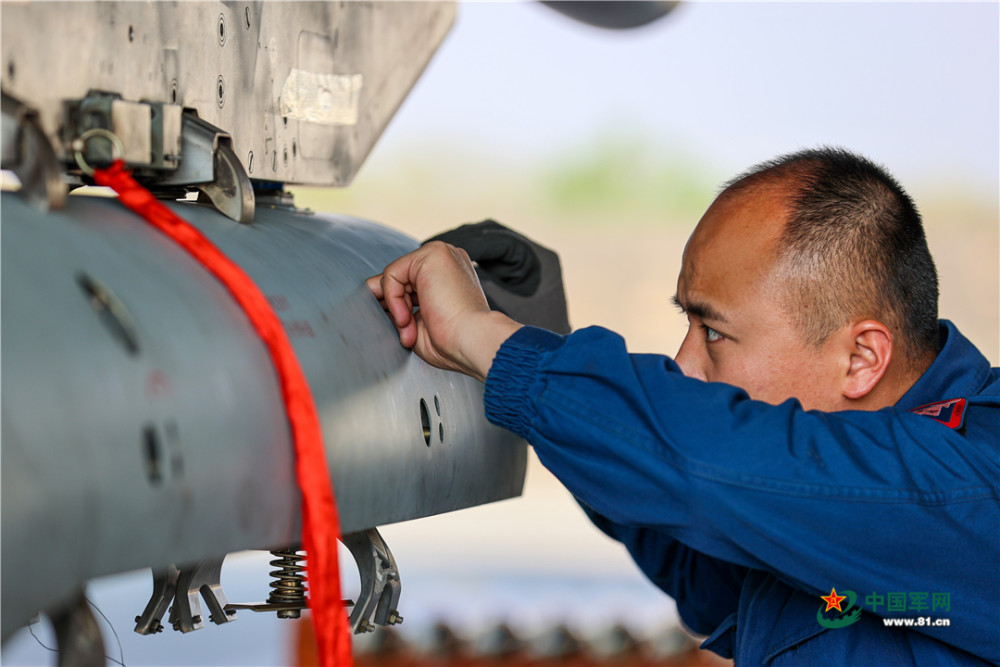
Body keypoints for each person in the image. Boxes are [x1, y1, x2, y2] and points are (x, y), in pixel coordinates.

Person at [367, 147, 999, 666]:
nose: (685, 363)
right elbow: (698, 548)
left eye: (714, 332)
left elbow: (713, 465)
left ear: (861, 358)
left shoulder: (971, 490)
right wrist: (542, 338)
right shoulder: (820, 512)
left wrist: (493, 343)